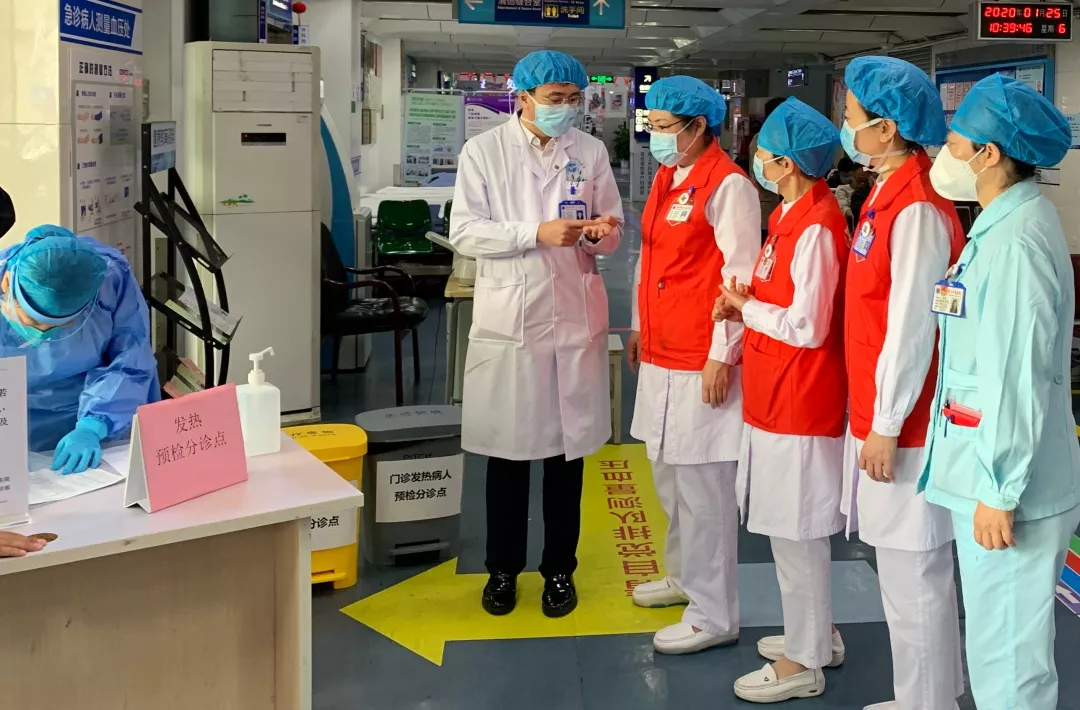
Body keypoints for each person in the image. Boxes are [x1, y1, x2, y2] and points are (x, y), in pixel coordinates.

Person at [921, 74, 1080, 710]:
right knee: (996, 651)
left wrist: (999, 488)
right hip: (993, 470)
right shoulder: (1001, 226)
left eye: (955, 143)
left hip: (1010, 485)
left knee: (1011, 667)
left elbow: (1017, 375)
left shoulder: (1016, 243)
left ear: (988, 154)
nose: (945, 156)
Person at [449, 50, 623, 618]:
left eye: (574, 99)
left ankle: (559, 571)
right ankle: (502, 570)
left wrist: (598, 233)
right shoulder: (484, 151)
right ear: (522, 96)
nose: (565, 108)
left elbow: (613, 227)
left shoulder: (589, 151)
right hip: (512, 322)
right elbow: (466, 231)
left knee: (566, 461)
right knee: (508, 457)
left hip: (572, 319)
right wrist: (535, 232)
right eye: (554, 99)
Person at [839, 56, 966, 710]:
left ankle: (930, 702)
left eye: (851, 116)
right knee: (903, 572)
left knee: (916, 573)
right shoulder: (886, 193)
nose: (846, 127)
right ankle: (924, 695)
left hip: (908, 424)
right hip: (882, 409)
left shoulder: (915, 208)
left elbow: (915, 327)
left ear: (886, 128)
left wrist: (886, 424)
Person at [713, 97, 848, 702]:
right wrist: (746, 301)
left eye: (764, 153)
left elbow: (809, 325)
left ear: (786, 164)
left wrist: (746, 308)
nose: (757, 160)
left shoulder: (816, 226)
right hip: (776, 393)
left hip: (800, 398)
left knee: (798, 533)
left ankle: (804, 662)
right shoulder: (791, 215)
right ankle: (818, 635)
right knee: (790, 532)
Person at [624, 75, 759, 654]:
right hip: (661, 349)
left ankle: (715, 614)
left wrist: (721, 355)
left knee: (705, 491)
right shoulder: (667, 175)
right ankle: (683, 576)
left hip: (700, 355)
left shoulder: (728, 186)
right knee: (668, 474)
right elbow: (650, 256)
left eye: (663, 127)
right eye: (651, 125)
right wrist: (638, 323)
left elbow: (740, 278)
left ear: (698, 126)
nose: (654, 136)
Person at [0, 225, 158, 474]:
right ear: (7, 283)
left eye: (61, 326)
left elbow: (130, 360)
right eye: (31, 322)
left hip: (95, 419)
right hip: (10, 421)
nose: (42, 334)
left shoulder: (107, 281)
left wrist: (93, 426)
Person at [748, 98, 786, 239]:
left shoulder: (782, 138)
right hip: (765, 208)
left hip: (779, 205)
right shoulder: (761, 140)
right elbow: (761, 173)